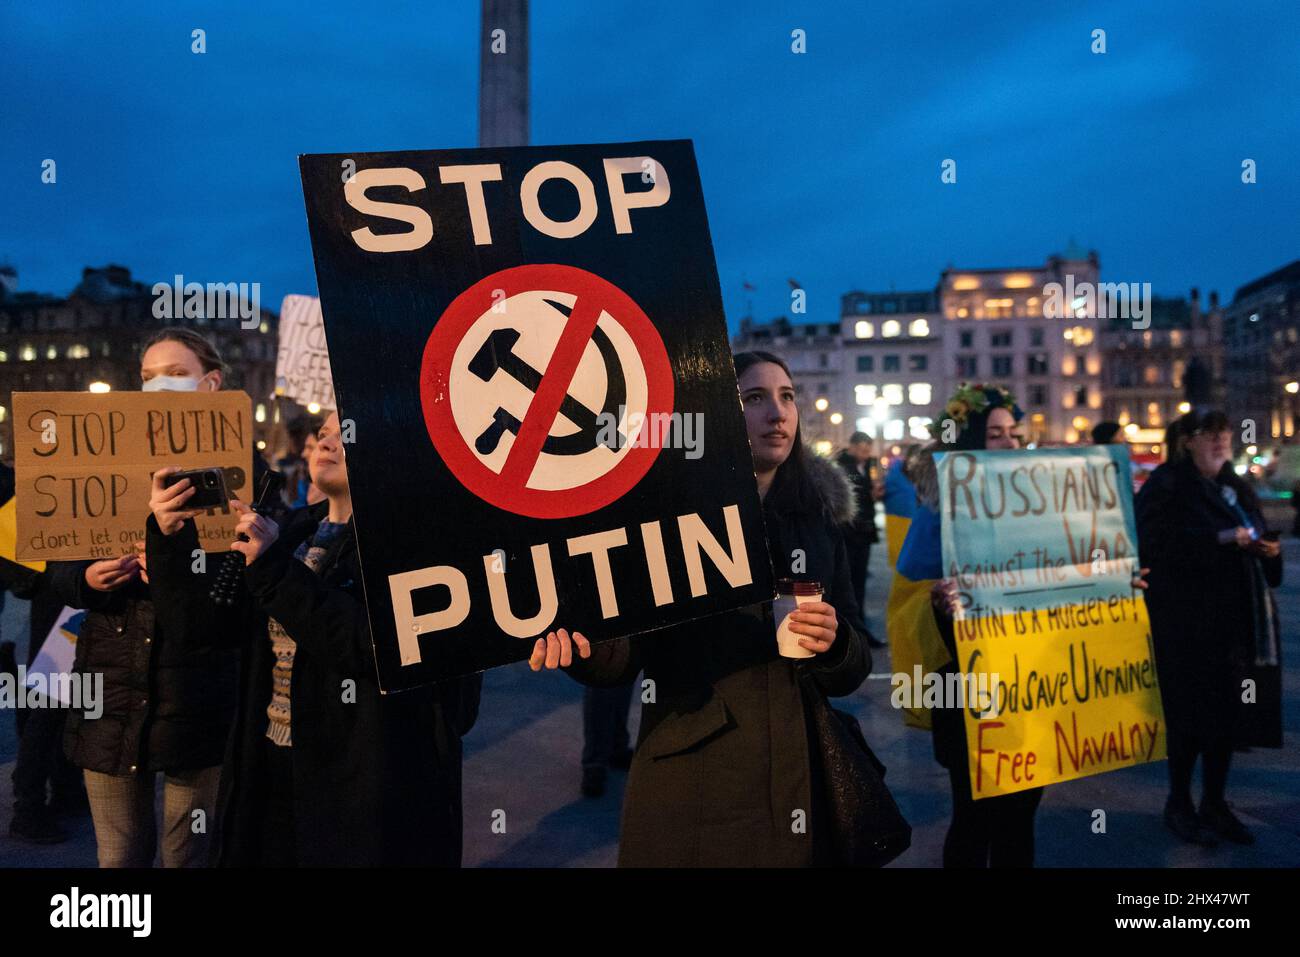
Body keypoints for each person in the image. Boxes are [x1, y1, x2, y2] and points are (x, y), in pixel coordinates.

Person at [531, 350, 871, 866]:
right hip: (691, 776)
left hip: (797, 780)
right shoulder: (666, 520)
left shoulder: (817, 521)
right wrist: (580, 647)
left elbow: (854, 659)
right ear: (716, 411)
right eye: (753, 398)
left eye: (786, 397)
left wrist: (837, 642)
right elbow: (624, 655)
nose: (777, 414)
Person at [147, 412, 480, 866]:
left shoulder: (416, 541)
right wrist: (170, 537)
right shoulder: (296, 530)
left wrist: (272, 571)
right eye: (322, 435)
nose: (324, 444)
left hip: (361, 787)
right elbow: (200, 630)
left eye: (345, 434)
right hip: (269, 769)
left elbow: (366, 645)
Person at [47, 328, 242, 867]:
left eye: (175, 375)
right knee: (119, 856)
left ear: (210, 383)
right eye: (147, 377)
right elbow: (56, 572)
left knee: (189, 853)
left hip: (196, 696)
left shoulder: (239, 473)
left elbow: (240, 594)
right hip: (110, 693)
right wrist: (88, 579)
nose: (158, 387)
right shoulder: (101, 465)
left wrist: (177, 570)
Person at [898, 383, 1045, 867]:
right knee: (975, 814)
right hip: (967, 689)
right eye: (995, 433)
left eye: (1013, 433)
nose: (1008, 443)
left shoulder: (1037, 501)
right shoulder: (939, 508)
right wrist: (941, 603)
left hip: (1032, 681)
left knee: (1023, 812)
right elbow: (911, 594)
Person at [1136, 410, 1283, 846]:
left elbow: (1258, 537)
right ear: (1187, 441)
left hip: (1236, 623)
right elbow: (1153, 546)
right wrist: (1219, 540)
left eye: (1225, 433)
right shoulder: (1167, 484)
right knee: (1188, 718)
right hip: (1185, 624)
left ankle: (1214, 803)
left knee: (1226, 718)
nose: (1221, 441)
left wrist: (1268, 550)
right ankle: (1178, 802)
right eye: (1210, 434)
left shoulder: (1236, 486)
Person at [835, 432, 885, 648]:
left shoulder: (860, 467)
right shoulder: (845, 468)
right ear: (853, 446)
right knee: (852, 586)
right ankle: (856, 634)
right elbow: (849, 501)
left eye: (868, 450)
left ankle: (859, 630)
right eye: (863, 449)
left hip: (861, 534)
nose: (866, 454)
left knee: (858, 585)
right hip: (852, 536)